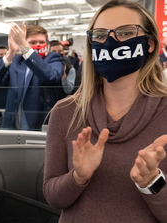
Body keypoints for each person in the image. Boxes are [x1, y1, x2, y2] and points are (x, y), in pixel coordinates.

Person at [44, 1, 167, 222]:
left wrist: (152, 183)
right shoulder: (65, 112)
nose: (110, 41)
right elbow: (53, 197)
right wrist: (78, 177)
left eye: (126, 32)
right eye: (100, 35)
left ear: (149, 43)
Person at [0, 22, 64, 130]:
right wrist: (11, 53)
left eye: (42, 42)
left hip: (41, 125)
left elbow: (50, 76)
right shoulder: (16, 61)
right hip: (12, 123)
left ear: (47, 44)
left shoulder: (53, 58)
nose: (38, 45)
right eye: (32, 42)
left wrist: (26, 48)